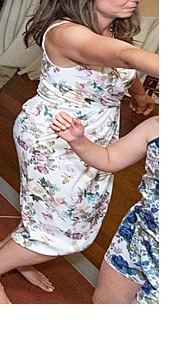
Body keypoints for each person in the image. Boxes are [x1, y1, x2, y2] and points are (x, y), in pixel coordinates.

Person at [0, 0, 158, 304]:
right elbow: (124, 57)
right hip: (54, 139)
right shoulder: (66, 33)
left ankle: (16, 252)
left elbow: (122, 63)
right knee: (61, 226)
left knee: (60, 212)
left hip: (94, 138)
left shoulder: (110, 26)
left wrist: (138, 96)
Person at [51, 113, 159, 304]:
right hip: (139, 234)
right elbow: (111, 157)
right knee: (105, 301)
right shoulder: (157, 126)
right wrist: (78, 141)